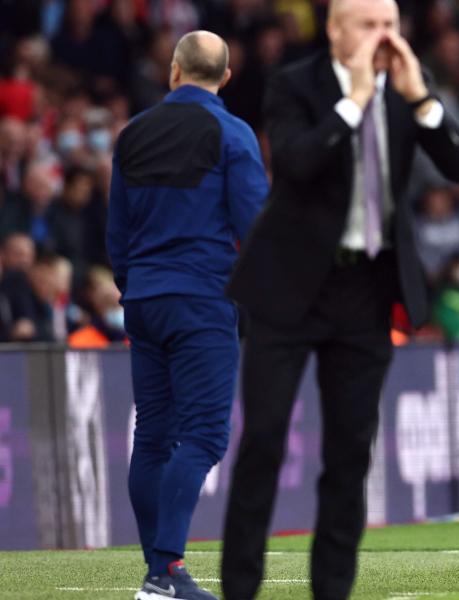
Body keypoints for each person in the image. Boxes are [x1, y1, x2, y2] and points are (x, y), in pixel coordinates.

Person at [219, 0, 459, 598]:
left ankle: (332, 592)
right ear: (335, 31)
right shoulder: (294, 83)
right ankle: (239, 589)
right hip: (288, 287)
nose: (381, 36)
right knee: (263, 441)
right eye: (367, 24)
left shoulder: (407, 88)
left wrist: (421, 99)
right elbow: (296, 162)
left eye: (389, 24)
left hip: (365, 289)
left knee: (350, 454)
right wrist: (354, 99)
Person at [106, 30, 267, 600]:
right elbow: (256, 227)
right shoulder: (232, 133)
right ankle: (165, 570)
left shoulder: (133, 133)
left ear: (174, 70)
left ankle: (156, 570)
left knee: (152, 436)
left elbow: (116, 233)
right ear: (224, 78)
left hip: (144, 300)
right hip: (200, 299)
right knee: (201, 436)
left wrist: (135, 288)